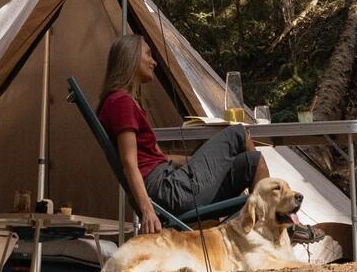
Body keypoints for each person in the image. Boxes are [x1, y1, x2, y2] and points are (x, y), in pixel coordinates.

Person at [96, 32, 265, 234]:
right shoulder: (121, 102)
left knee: (252, 162)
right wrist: (147, 209)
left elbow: (160, 158)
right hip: (168, 191)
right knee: (238, 132)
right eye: (148, 54)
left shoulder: (120, 102)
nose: (154, 62)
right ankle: (270, 227)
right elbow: (129, 161)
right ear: (131, 57)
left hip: (171, 186)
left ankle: (267, 223)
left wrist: (203, 162)